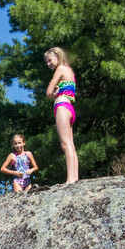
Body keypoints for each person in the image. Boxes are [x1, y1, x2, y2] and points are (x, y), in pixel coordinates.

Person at [45, 46, 78, 184]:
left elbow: (48, 92)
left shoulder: (60, 69)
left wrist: (53, 92)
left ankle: (70, 179)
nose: (49, 64)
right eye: (47, 61)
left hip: (62, 106)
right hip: (70, 107)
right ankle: (75, 177)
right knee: (70, 144)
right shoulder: (70, 70)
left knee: (65, 144)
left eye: (50, 60)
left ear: (58, 57)